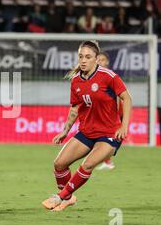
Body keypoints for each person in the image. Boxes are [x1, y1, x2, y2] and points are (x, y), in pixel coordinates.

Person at [41, 40, 132, 211]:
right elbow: (75, 109)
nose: (83, 60)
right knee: (59, 164)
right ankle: (68, 197)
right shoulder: (76, 81)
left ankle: (59, 197)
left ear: (97, 59)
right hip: (87, 132)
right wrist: (65, 131)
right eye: (81, 56)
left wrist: (124, 126)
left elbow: (126, 98)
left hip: (109, 134)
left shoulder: (109, 77)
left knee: (88, 165)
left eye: (88, 57)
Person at [96, 52, 118, 170]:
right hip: (97, 113)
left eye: (103, 60)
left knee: (101, 138)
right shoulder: (92, 76)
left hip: (108, 114)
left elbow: (120, 96)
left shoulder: (111, 77)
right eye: (98, 59)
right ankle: (107, 162)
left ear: (107, 62)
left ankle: (108, 162)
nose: (100, 62)